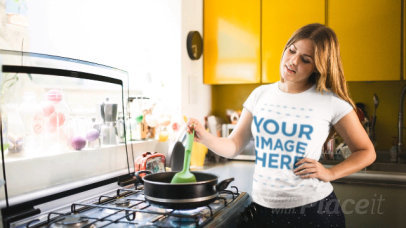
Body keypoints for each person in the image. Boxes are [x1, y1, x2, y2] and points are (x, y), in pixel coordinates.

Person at [187, 23, 376, 227]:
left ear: (318, 66)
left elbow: (366, 151)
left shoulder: (330, 102)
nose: (293, 61)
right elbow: (234, 145)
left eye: (305, 60)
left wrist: (330, 173)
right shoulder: (260, 95)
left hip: (312, 212)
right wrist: (204, 136)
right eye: (292, 50)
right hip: (262, 209)